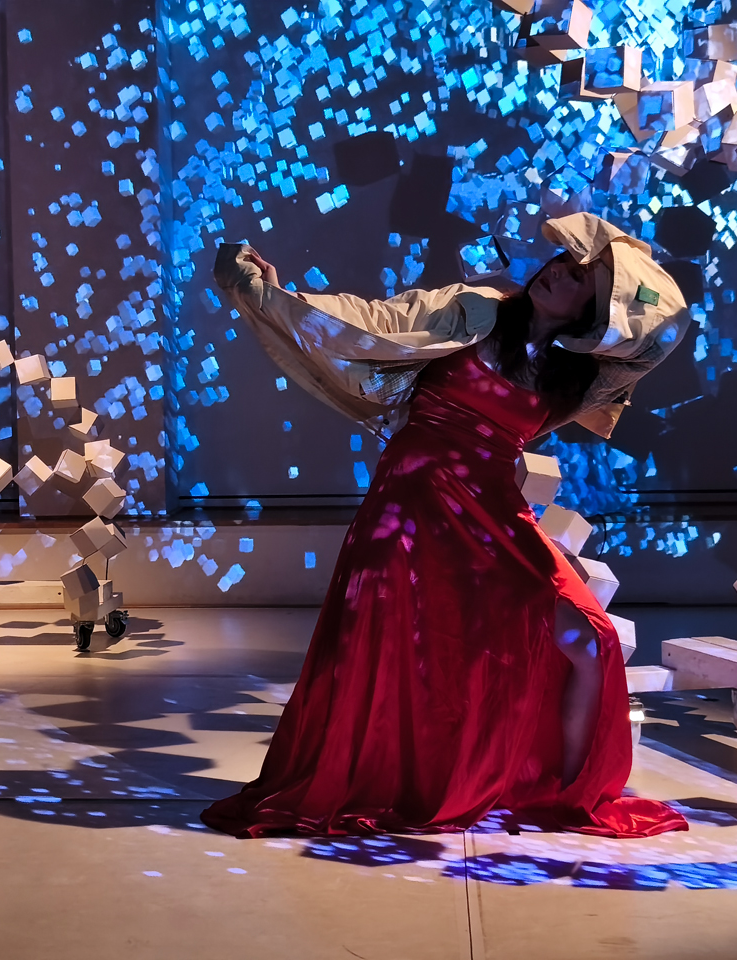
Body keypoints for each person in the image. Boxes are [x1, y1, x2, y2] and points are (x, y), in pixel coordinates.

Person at [202, 212, 690, 838]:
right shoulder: (476, 309)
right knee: (394, 648)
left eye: (577, 276)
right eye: (559, 262)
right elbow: (375, 321)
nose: (554, 272)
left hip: (493, 509)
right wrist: (278, 296)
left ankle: (573, 800)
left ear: (595, 315)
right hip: (413, 499)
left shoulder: (578, 376)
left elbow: (655, 337)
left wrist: (622, 275)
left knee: (587, 638)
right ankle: (394, 780)